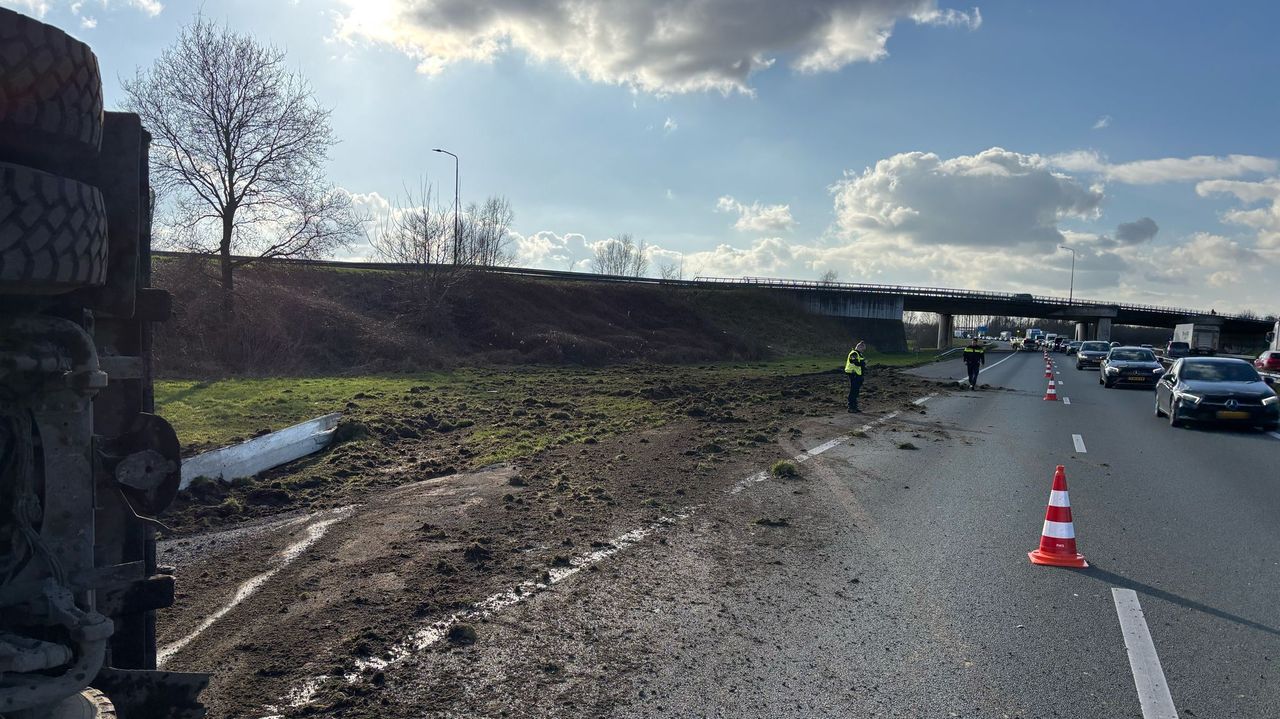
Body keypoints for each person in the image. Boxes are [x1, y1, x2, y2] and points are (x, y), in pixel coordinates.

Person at [844, 340, 868, 413]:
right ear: (859, 347)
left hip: (858, 375)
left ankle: (854, 406)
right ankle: (851, 407)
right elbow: (855, 362)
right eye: (863, 348)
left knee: (856, 391)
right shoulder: (854, 353)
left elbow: (859, 363)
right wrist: (863, 364)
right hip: (853, 374)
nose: (863, 350)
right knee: (853, 391)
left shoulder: (859, 354)